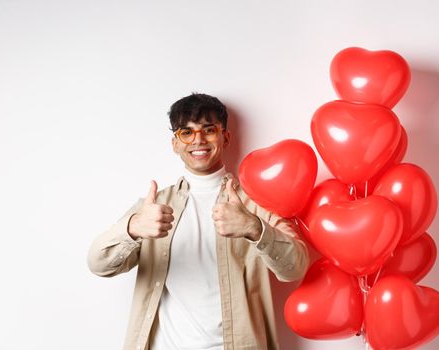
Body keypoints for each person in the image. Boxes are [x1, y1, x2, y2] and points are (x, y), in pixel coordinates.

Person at [87, 93, 309, 350]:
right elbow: (98, 264)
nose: (198, 140)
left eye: (208, 130)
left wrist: (254, 228)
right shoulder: (154, 207)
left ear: (225, 137)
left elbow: (296, 268)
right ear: (175, 143)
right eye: (186, 133)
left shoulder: (255, 205)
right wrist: (133, 228)